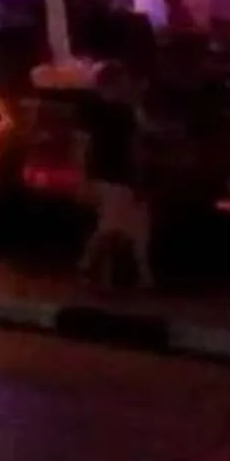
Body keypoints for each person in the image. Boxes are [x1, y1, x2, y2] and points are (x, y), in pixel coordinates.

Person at [75, 62, 154, 291]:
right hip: (106, 172)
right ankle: (90, 265)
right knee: (114, 222)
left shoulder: (127, 110)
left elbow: (138, 140)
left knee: (131, 223)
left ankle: (102, 268)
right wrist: (83, 176)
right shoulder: (96, 110)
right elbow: (83, 144)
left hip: (123, 172)